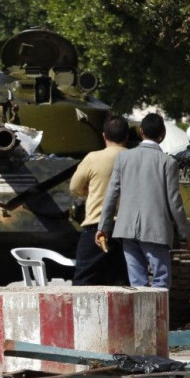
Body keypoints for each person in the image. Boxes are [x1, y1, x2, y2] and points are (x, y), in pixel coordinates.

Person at [96, 113, 190, 289]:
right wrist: (186, 233)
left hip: (126, 229)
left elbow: (111, 194)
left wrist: (103, 227)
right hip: (155, 230)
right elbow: (174, 201)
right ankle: (158, 317)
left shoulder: (123, 158)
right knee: (161, 281)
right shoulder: (168, 162)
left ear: (140, 131)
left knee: (137, 283)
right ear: (163, 134)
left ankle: (141, 317)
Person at [69, 115, 130, 286]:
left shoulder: (93, 158)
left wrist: (89, 192)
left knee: (83, 282)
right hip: (128, 230)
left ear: (104, 136)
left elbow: (74, 187)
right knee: (122, 282)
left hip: (97, 228)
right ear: (126, 136)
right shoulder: (135, 157)